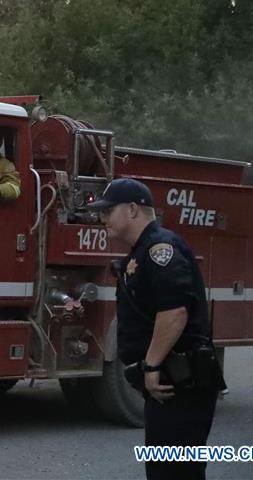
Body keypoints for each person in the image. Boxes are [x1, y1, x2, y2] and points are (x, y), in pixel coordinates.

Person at [87, 178, 222, 480]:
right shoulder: (143, 251)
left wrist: (151, 365)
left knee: (177, 472)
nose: (102, 218)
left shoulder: (160, 249)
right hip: (169, 385)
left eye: (108, 211)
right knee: (164, 470)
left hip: (181, 384)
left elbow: (174, 312)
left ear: (133, 209)